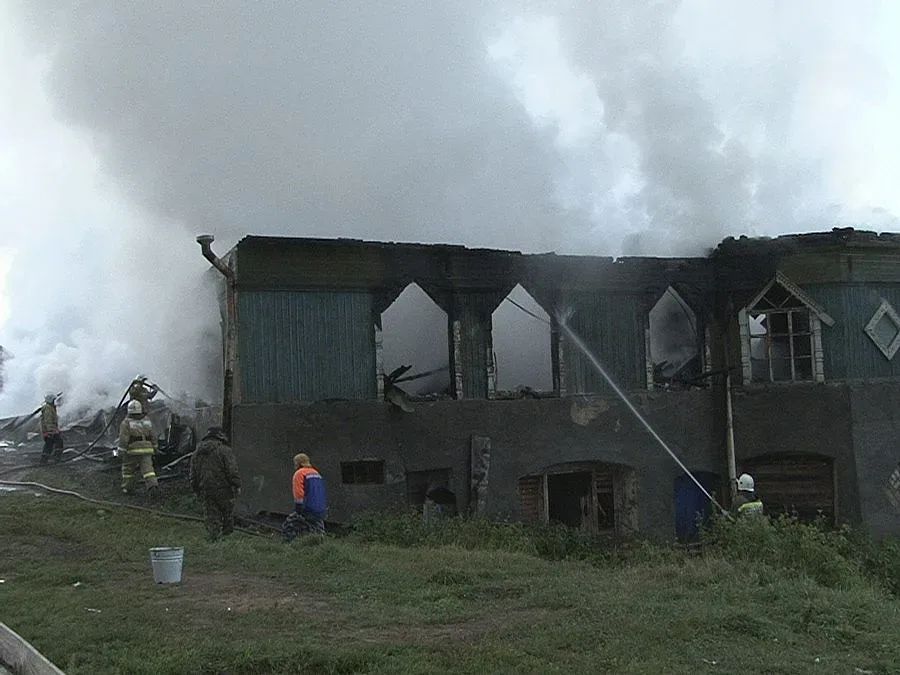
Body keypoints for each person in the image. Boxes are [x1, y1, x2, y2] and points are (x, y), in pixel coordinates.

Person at [189, 427, 242, 541]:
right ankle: (227, 539)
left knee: (211, 516)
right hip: (224, 489)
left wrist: (196, 489)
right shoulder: (225, 451)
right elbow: (232, 470)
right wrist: (237, 484)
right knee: (227, 514)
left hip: (205, 489)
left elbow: (193, 475)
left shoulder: (197, 453)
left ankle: (213, 539)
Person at [117, 399, 159, 495]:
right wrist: (155, 447)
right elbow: (153, 435)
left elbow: (123, 439)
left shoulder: (126, 423)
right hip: (147, 450)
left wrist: (121, 452)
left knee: (128, 470)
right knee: (148, 470)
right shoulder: (147, 420)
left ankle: (127, 487)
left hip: (133, 450)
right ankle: (153, 486)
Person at [282, 453, 327, 541]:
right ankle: (320, 546)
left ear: (298, 463)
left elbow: (299, 493)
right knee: (318, 529)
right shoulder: (316, 473)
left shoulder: (299, 474)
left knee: (289, 525)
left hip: (308, 508)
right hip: (321, 508)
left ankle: (289, 546)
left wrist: (298, 509)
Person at [39, 394, 64, 464]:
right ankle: (56, 458)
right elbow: (48, 420)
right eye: (53, 400)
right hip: (50, 431)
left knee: (49, 445)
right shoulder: (48, 408)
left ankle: (44, 460)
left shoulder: (50, 408)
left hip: (50, 431)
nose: (54, 401)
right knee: (58, 443)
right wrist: (51, 431)